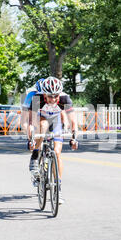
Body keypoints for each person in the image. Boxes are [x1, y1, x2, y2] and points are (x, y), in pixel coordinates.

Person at [26, 76, 79, 204]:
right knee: (43, 126)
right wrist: (31, 139)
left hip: (55, 120)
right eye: (50, 96)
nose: (54, 99)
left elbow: (73, 120)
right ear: (44, 94)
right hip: (41, 118)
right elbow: (31, 122)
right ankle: (35, 155)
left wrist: (74, 138)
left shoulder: (65, 98)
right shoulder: (36, 99)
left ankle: (58, 188)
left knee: (57, 152)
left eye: (56, 96)